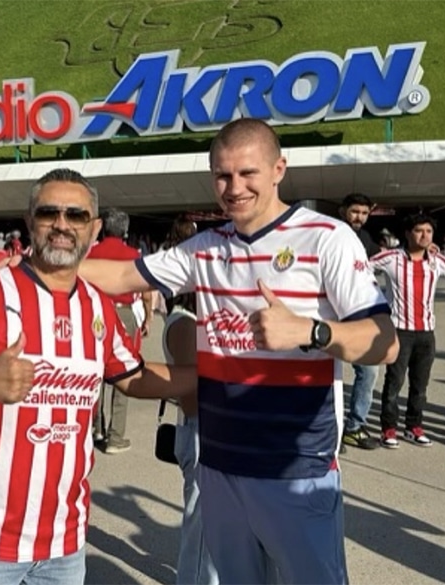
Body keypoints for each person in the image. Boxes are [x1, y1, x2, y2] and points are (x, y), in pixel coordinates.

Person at [77, 118, 398, 584]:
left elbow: (384, 343)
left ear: (278, 169)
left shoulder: (326, 237)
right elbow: (124, 277)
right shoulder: (205, 249)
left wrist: (312, 332)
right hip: (220, 467)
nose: (234, 187)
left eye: (247, 173)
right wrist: (33, 269)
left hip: (296, 470)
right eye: (223, 175)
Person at [0, 168, 197, 585]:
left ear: (93, 229)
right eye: (48, 213)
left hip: (64, 543)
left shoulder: (97, 307)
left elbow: (135, 377)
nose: (61, 224)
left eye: (75, 215)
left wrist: (218, 376)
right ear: (28, 221)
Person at [162, 216, 219, 585]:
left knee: (215, 534)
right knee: (202, 536)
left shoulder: (200, 321)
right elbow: (192, 398)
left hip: (214, 430)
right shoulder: (184, 323)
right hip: (202, 432)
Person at [370, 213, 445, 448]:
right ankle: (388, 429)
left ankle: (414, 426)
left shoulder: (436, 260)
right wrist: (376, 300)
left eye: (429, 231)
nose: (424, 235)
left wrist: (438, 252)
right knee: (394, 382)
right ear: (408, 234)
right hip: (400, 330)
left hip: (426, 333)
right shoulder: (392, 257)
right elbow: (363, 267)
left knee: (420, 385)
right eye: (419, 231)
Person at [88, 208, 153, 454]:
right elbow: (146, 292)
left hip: (94, 312)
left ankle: (96, 427)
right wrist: (147, 317)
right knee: (122, 371)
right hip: (124, 312)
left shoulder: (91, 253)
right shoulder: (133, 254)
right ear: (125, 230)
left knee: (95, 371)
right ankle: (115, 437)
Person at [338, 193, 382, 450]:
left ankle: (354, 427)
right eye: (355, 212)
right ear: (344, 210)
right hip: (330, 315)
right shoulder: (330, 232)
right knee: (327, 374)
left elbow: (383, 258)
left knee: (369, 370)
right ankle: (329, 430)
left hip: (358, 314)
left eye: (364, 213)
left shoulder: (365, 238)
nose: (359, 218)